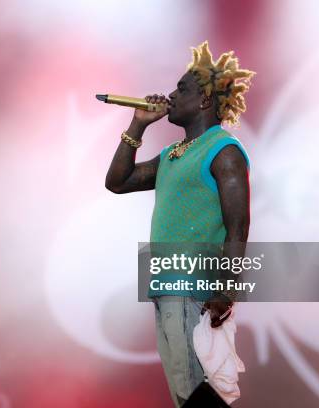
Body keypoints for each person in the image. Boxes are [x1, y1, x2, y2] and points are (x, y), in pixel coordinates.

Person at [105, 41, 254, 407]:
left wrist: (227, 290)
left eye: (182, 88)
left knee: (192, 392)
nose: (171, 94)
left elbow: (238, 228)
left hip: (194, 284)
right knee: (185, 392)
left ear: (205, 101)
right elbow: (117, 181)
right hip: (165, 282)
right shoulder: (172, 155)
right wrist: (137, 125)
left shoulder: (224, 150)